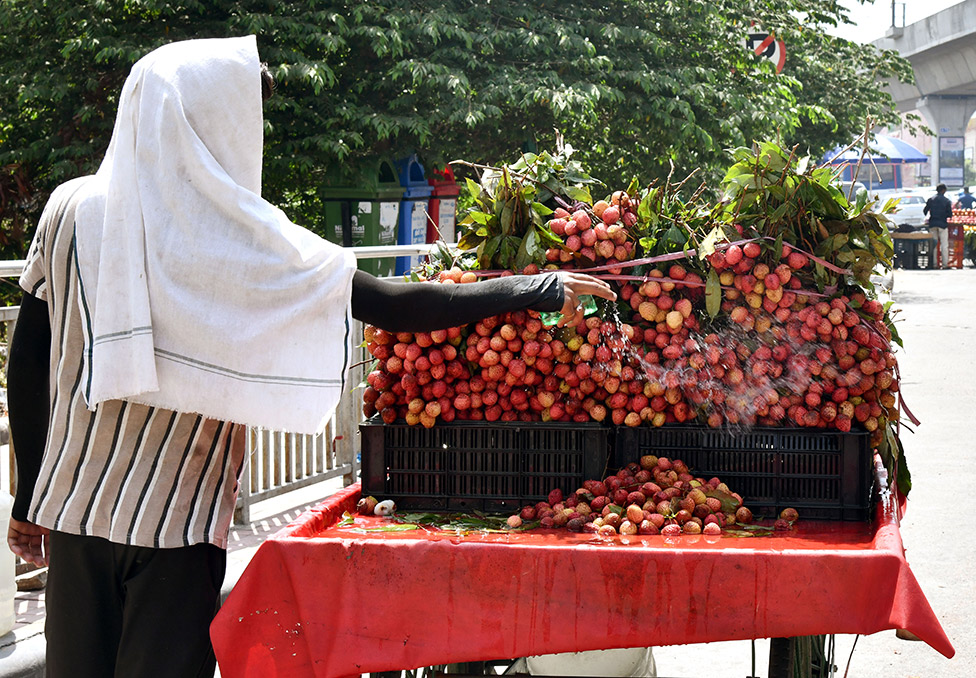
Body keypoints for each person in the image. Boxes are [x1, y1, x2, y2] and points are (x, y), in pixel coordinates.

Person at [6, 36, 616, 678]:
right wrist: (534, 287)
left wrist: (27, 500)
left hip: (75, 513)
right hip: (176, 530)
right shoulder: (249, 242)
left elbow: (28, 357)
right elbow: (395, 305)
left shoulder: (70, 209)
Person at [923, 184, 953, 269]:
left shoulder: (931, 199)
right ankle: (944, 264)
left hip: (932, 224)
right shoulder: (946, 201)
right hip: (942, 225)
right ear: (943, 190)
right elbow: (950, 214)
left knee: (934, 245)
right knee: (944, 245)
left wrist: (928, 217)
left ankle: (934, 264)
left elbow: (925, 210)